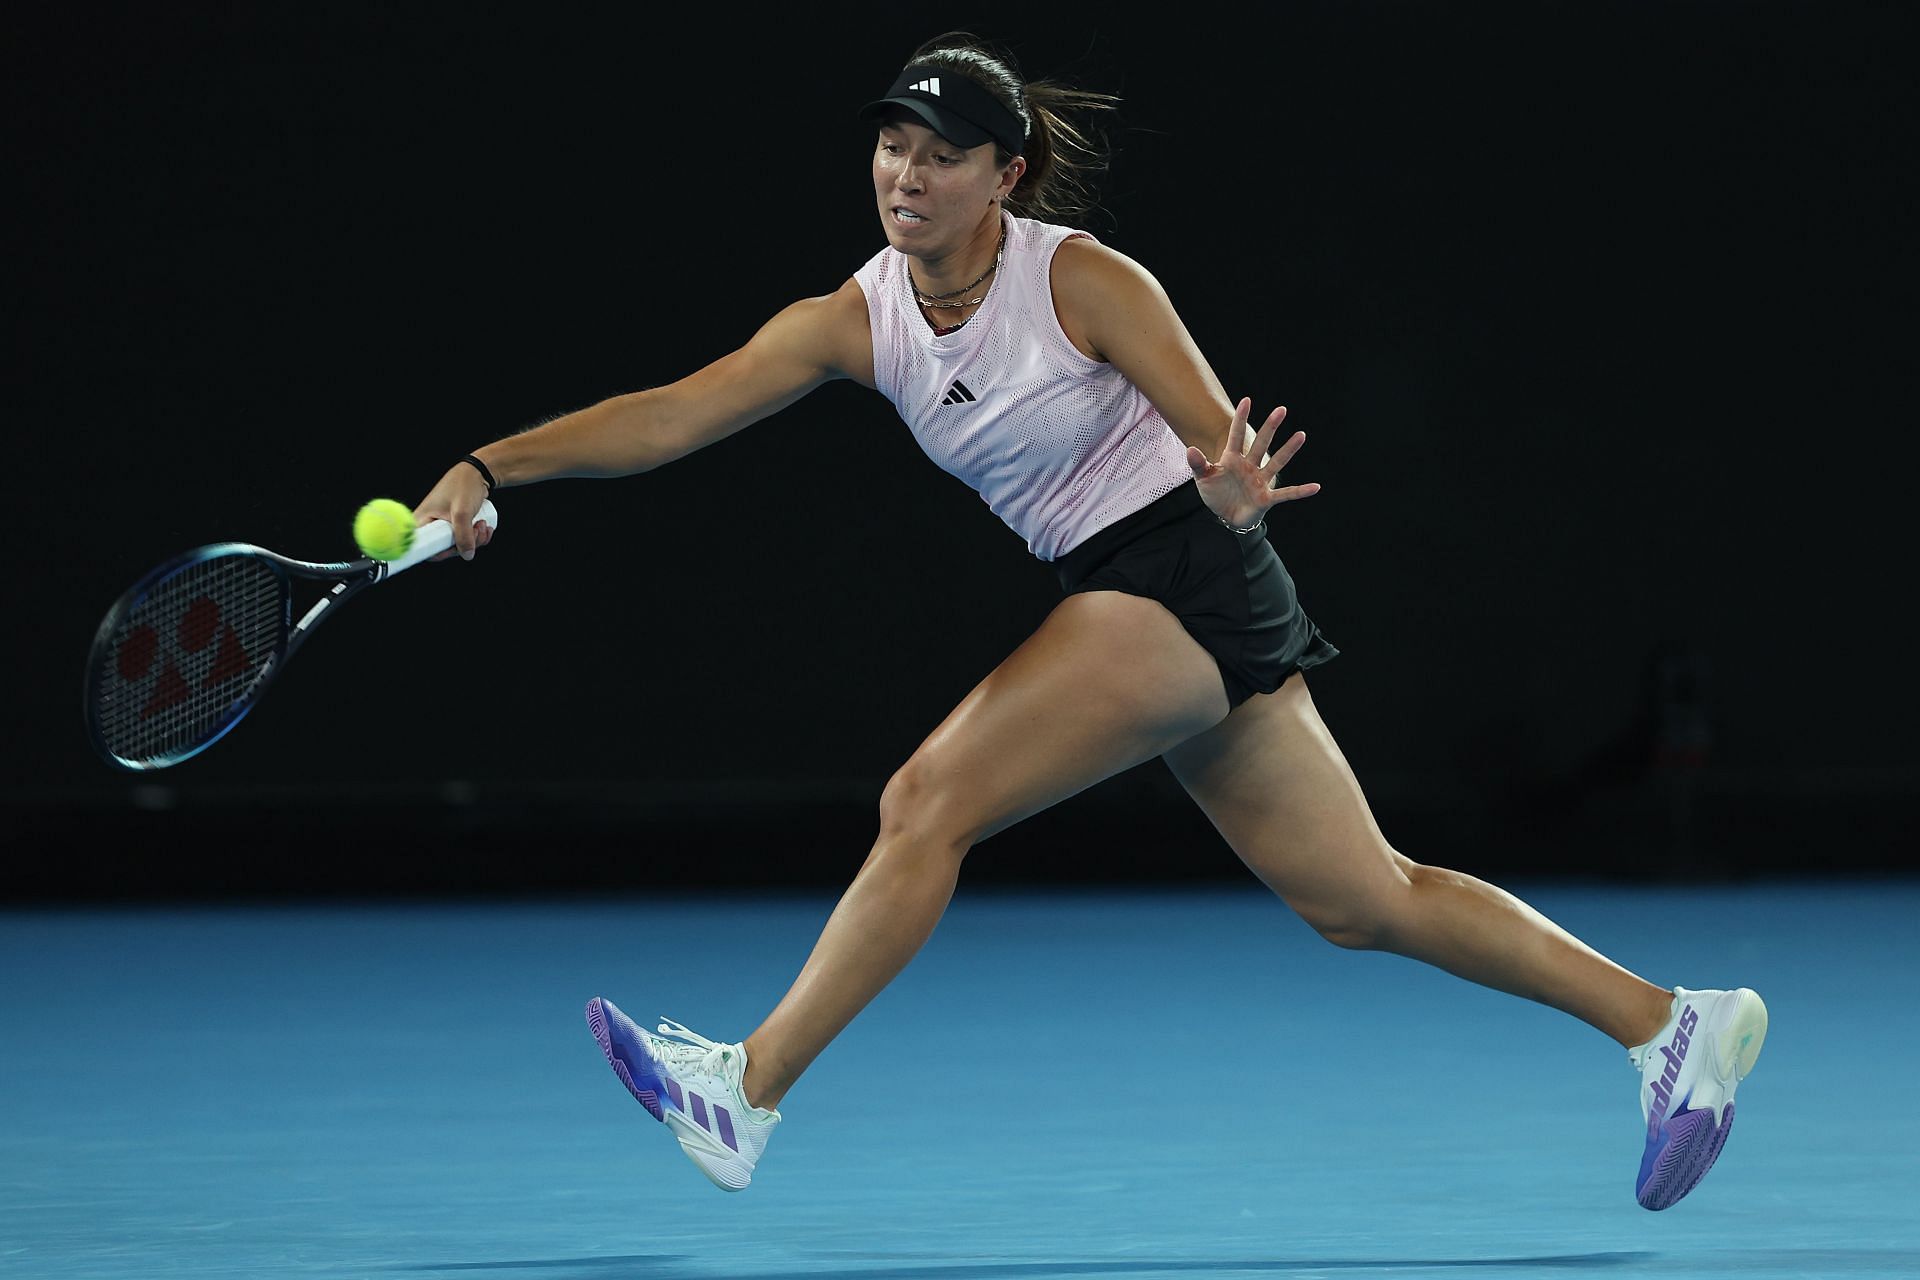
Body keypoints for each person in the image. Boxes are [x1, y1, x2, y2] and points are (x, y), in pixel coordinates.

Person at [413, 32, 1766, 1209]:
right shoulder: (857, 319)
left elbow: (1218, 449)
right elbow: (672, 413)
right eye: (891, 145)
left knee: (924, 801)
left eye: (941, 154)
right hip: (1152, 601)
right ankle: (1666, 1026)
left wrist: (1234, 494)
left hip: (1183, 570)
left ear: (1005, 174)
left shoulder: (1085, 282)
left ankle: (747, 1092)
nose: (905, 174)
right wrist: (490, 465)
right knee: (1366, 900)